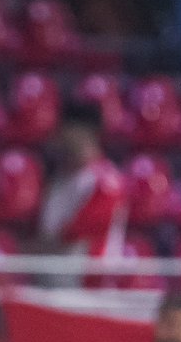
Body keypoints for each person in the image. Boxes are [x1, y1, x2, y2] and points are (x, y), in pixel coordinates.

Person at [36, 104, 127, 259]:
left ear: (84, 133)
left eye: (65, 131)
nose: (60, 138)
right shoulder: (59, 176)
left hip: (88, 277)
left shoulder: (106, 180)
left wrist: (30, 248)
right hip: (51, 273)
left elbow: (75, 234)